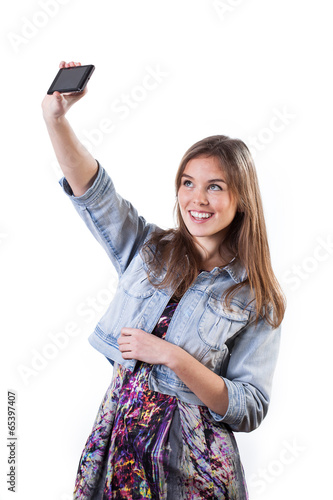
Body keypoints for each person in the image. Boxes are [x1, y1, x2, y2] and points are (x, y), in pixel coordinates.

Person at [42, 61, 286, 500]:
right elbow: (93, 190)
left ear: (241, 199)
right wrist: (56, 119)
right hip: (118, 450)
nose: (197, 198)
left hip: (192, 470)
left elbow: (249, 406)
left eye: (216, 186)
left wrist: (171, 356)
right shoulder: (148, 249)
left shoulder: (258, 297)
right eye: (188, 182)